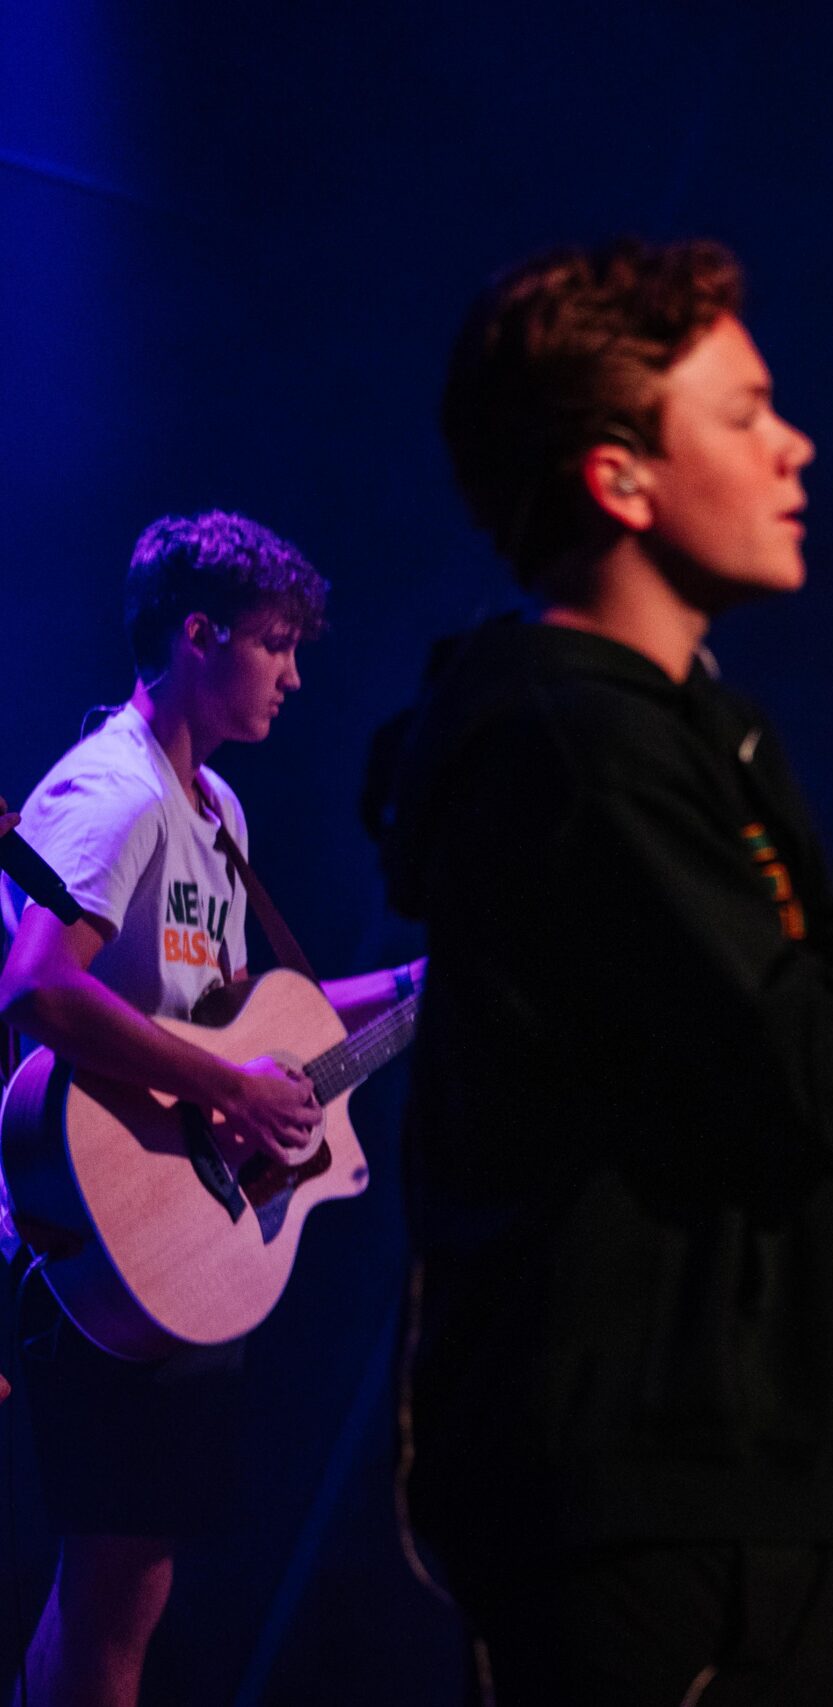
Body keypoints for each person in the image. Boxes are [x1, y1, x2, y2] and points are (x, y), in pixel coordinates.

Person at [387, 237, 833, 1703]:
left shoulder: (701, 728)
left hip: (752, 1482)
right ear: (621, 477)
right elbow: (811, 1081)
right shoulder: (569, 744)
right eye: (743, 413)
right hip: (629, 1489)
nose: (795, 442)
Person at [0, 511, 423, 1707]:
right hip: (88, 1231)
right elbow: (36, 985)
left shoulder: (217, 813)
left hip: (167, 1238)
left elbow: (236, 1015)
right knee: (115, 1597)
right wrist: (224, 1087)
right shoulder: (114, 793)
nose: (293, 673)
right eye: (276, 643)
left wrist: (409, 985)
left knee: (124, 1590)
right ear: (198, 635)